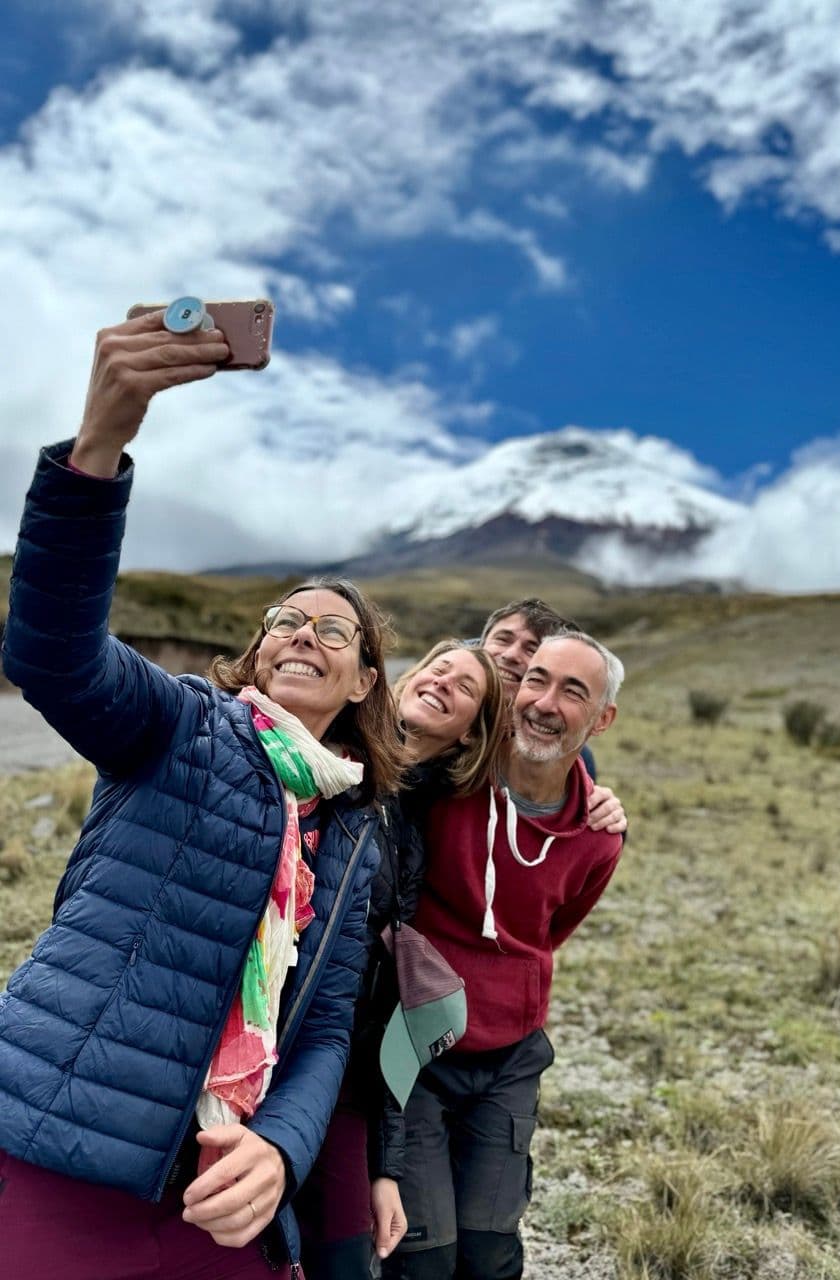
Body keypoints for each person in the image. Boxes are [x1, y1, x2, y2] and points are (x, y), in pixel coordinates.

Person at [0, 310, 403, 1280]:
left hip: (219, 1187)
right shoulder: (181, 722)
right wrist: (96, 450)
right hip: (62, 1141)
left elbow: (329, 1023)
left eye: (335, 629)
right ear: (260, 652)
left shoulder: (355, 828)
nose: (304, 631)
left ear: (362, 684)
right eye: (286, 618)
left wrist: (282, 1146)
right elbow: (52, 657)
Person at [383, 630, 626, 1280]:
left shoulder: (597, 837)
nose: (544, 702)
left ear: (602, 718)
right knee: (423, 1258)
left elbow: (549, 931)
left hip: (509, 1061)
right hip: (416, 1051)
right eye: (535, 680)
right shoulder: (447, 779)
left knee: (491, 1256)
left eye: (573, 691)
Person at [297, 640, 508, 1278]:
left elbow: (390, 999)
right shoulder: (327, 747)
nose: (444, 680)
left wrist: (384, 1165)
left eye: (465, 686)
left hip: (334, 1073)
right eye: (438, 666)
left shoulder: (411, 827)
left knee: (341, 1257)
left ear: (470, 736)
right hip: (252, 1053)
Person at [479, 598, 599, 781]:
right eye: (502, 639)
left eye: (531, 649)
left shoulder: (575, 759)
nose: (510, 655)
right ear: (481, 645)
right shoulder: (436, 702)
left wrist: (598, 804)